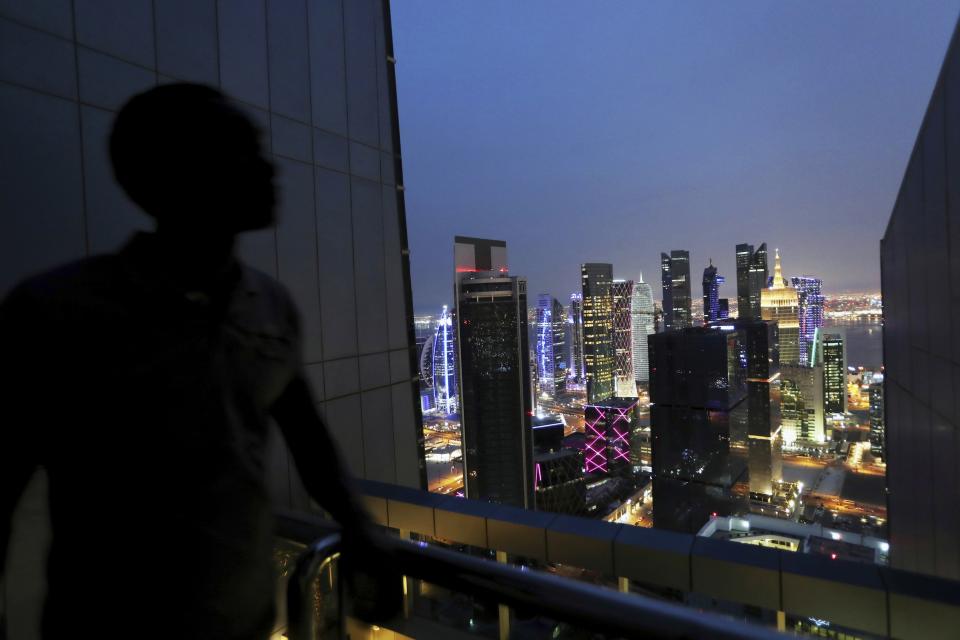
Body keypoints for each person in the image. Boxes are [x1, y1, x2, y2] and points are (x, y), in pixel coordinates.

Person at [0, 84, 397, 639]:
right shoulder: (59, 314)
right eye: (239, 149)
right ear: (171, 172)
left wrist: (359, 525)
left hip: (247, 625)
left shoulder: (270, 308)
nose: (268, 167)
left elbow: (308, 439)